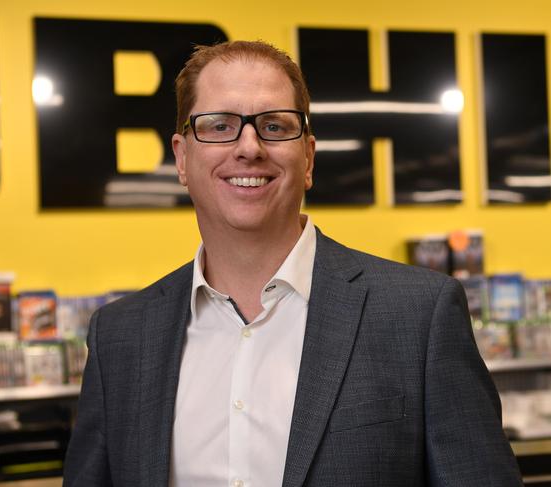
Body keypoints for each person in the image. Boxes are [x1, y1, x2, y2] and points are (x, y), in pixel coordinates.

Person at [63, 40, 523, 486]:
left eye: (275, 126)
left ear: (308, 157)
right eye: (220, 125)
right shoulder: (119, 339)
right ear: (182, 159)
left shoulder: (419, 316)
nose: (248, 146)